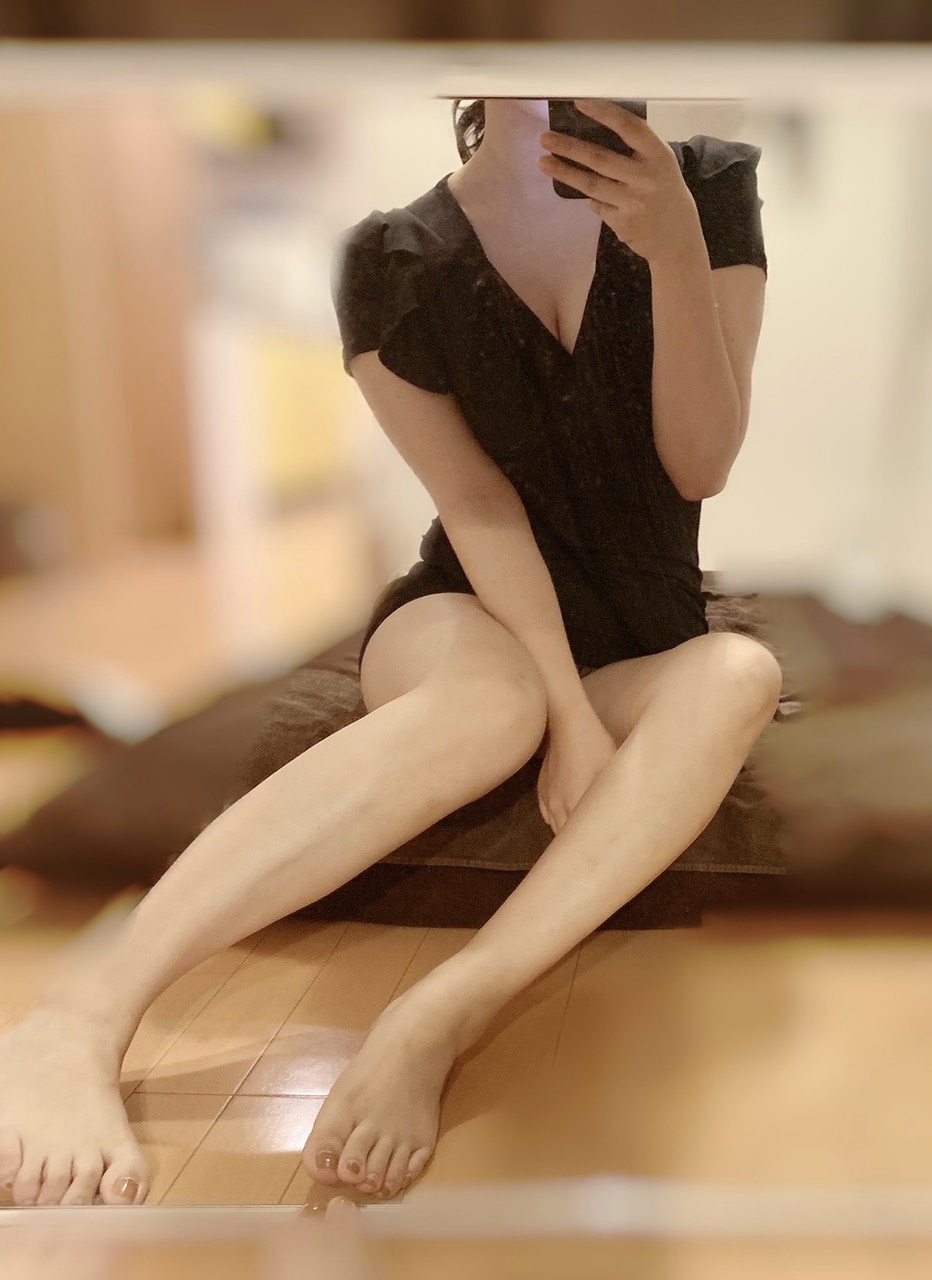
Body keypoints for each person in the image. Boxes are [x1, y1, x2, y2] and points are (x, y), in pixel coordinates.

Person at [0, 96, 777, 1208]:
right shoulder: (391, 259)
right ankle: (80, 1013)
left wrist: (676, 254)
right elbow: (477, 505)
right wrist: (565, 713)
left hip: (644, 626)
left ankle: (438, 1012)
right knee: (495, 706)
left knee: (740, 674)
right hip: (464, 611)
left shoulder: (706, 187)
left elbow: (701, 465)